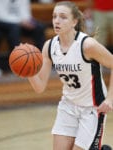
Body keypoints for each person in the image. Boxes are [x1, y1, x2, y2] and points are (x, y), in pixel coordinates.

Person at [27, 1, 113, 150]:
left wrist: (110, 99)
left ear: (74, 22)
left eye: (63, 17)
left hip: (92, 109)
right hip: (68, 106)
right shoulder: (49, 46)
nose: (57, 21)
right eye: (54, 17)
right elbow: (40, 87)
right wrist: (28, 72)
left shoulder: (87, 45)